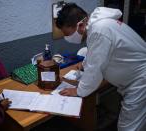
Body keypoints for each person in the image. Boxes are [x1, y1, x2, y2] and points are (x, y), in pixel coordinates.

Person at [56, 3, 146, 131]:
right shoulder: (99, 26)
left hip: (140, 82)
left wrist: (78, 91)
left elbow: (94, 70)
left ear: (80, 25)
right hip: (137, 78)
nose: (67, 38)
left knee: (128, 128)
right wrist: (84, 63)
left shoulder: (99, 30)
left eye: (68, 34)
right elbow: (97, 53)